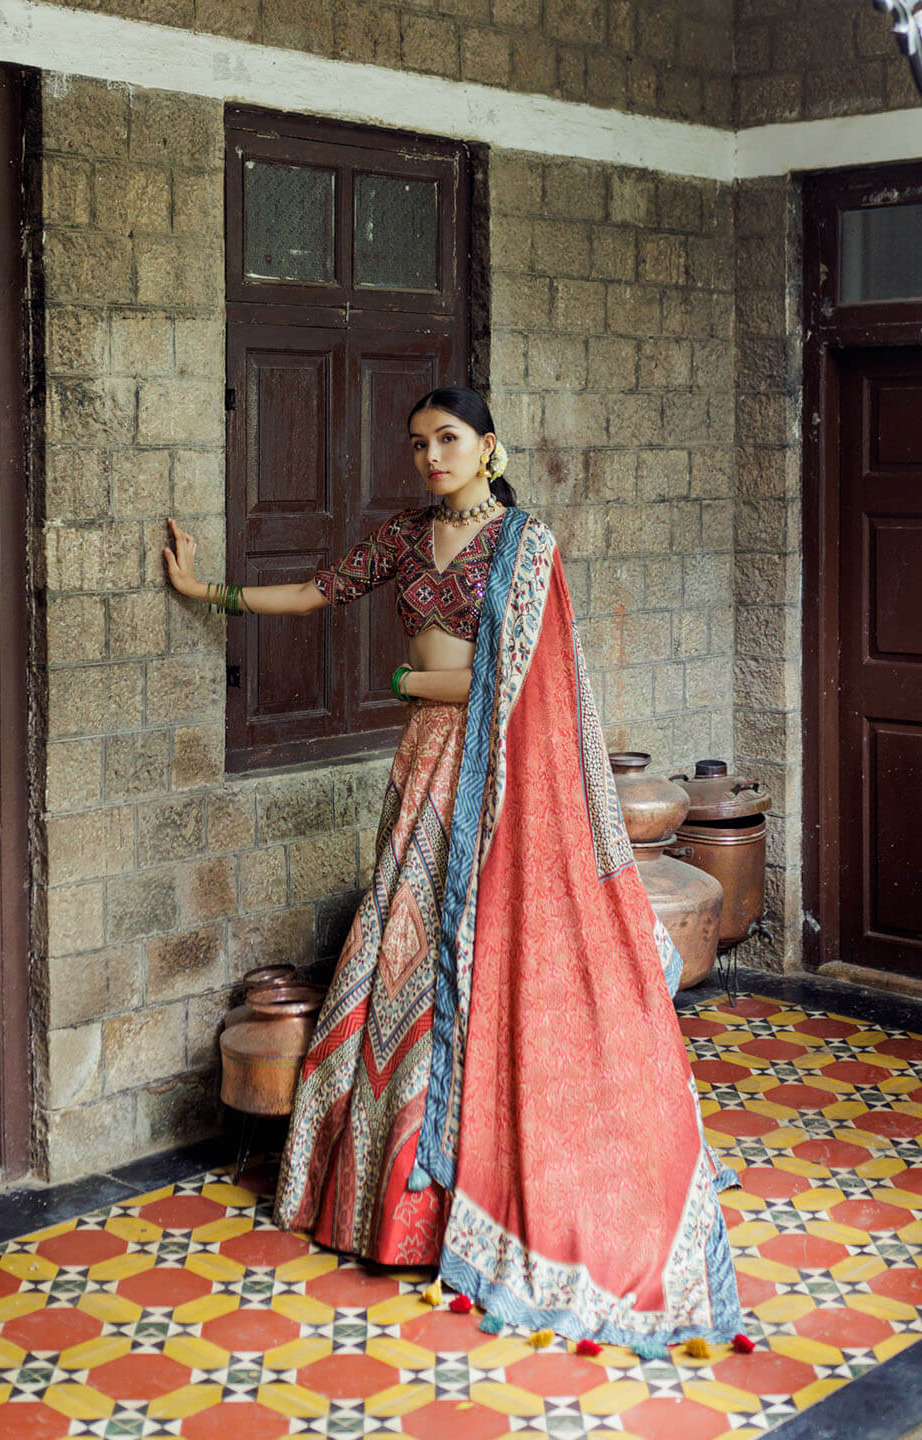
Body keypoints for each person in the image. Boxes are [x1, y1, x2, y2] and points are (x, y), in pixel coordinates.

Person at [163, 386, 742, 1350]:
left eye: (449, 440)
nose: (431, 456)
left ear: (489, 448)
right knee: (403, 949)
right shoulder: (405, 536)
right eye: (419, 442)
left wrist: (401, 680)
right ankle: (390, 1205)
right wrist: (207, 593)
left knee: (473, 954)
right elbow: (317, 591)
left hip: (498, 773)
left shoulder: (528, 546)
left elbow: (510, 678)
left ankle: (474, 1197)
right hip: (420, 768)